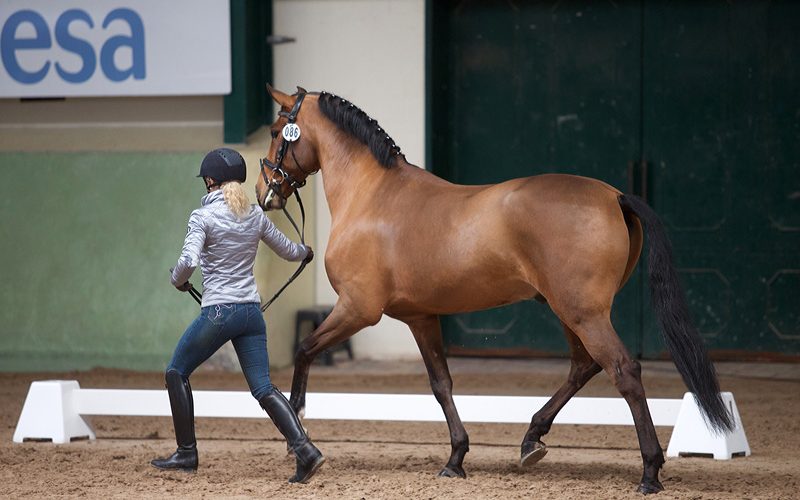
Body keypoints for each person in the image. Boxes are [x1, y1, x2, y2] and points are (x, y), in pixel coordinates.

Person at [150, 147, 324, 483]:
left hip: (219, 311)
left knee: (176, 372)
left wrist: (178, 281)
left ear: (210, 181)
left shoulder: (202, 217)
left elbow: (188, 262)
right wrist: (306, 252)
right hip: (251, 313)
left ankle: (186, 452)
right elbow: (288, 250)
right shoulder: (254, 215)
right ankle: (305, 450)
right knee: (263, 387)